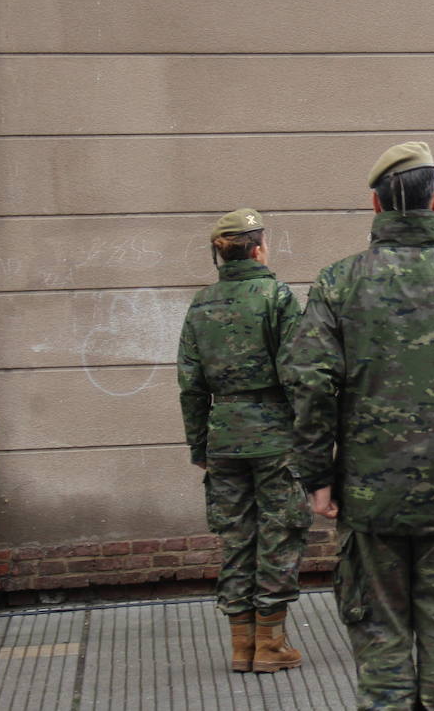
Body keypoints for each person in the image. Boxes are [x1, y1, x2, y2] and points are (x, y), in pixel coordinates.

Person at [284, 142, 434, 710]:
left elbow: (310, 384)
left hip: (369, 501)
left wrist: (317, 477)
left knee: (382, 649)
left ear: (375, 206)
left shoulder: (338, 284)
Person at [176, 208, 309, 674]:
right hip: (275, 437)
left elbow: (191, 386)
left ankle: (241, 646)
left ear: (219, 251)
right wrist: (311, 437)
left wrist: (199, 447)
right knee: (278, 534)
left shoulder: (201, 304)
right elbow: (299, 373)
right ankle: (271, 644)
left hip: (223, 437)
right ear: (258, 248)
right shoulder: (277, 297)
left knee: (236, 539)